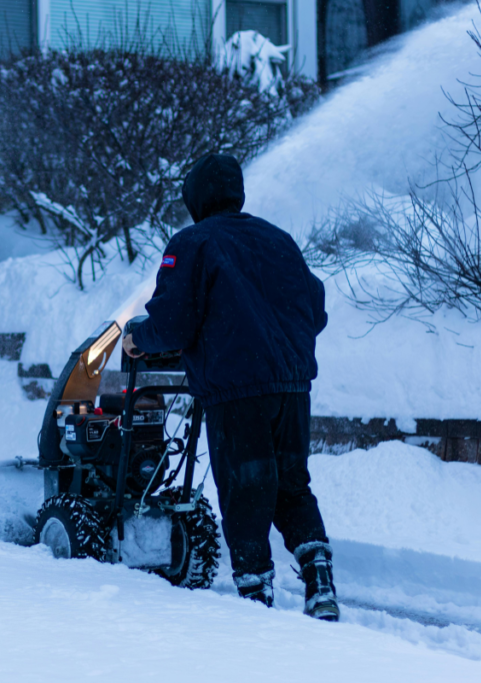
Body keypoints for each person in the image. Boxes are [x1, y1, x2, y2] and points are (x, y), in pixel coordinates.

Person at [122, 153, 338, 621]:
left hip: (237, 392)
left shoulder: (194, 243)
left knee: (245, 492)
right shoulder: (279, 241)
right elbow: (315, 310)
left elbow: (175, 322)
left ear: (195, 198)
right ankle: (319, 581)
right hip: (293, 388)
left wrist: (139, 337)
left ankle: (256, 602)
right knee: (291, 486)